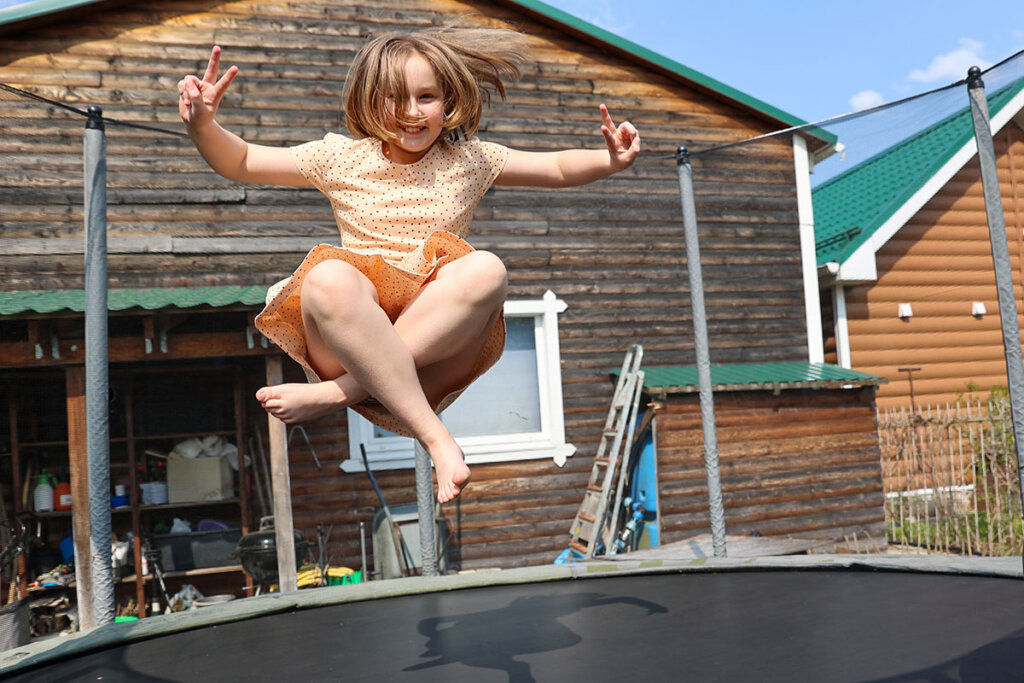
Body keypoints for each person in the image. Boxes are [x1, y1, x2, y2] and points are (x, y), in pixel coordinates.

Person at [177, 26, 640, 503]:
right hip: (352, 334)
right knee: (328, 276)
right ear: (369, 99)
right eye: (395, 98)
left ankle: (339, 393)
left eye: (426, 97)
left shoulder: (470, 159)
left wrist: (608, 160)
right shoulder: (339, 158)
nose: (412, 112)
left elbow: (557, 167)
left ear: (449, 101)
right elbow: (245, 161)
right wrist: (203, 126)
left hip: (432, 352)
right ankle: (437, 438)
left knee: (487, 268)